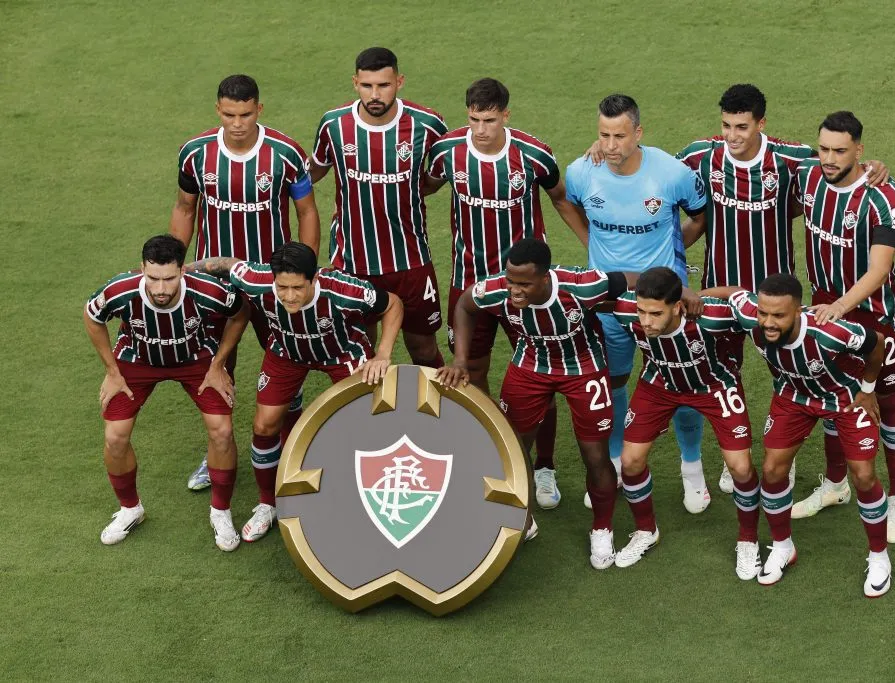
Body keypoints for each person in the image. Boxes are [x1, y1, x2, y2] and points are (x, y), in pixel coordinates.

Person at [676, 84, 889, 495]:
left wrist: (873, 165)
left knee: (790, 375)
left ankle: (784, 457)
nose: (732, 136)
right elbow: (654, 171)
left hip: (775, 301)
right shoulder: (699, 155)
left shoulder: (791, 158)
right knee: (722, 374)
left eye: (741, 126)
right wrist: (604, 147)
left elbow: (838, 163)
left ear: (761, 124)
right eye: (726, 126)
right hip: (720, 293)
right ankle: (731, 452)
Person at [425, 77, 591, 509]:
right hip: (469, 284)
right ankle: (484, 453)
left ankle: (545, 467)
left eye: (490, 120)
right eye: (474, 119)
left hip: (526, 290)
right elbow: (421, 187)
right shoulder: (447, 151)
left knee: (544, 376)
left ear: (505, 116)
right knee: (471, 372)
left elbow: (559, 197)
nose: (481, 129)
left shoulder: (532, 153)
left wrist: (595, 247)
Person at [436, 239, 636, 569]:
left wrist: (683, 293)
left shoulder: (583, 285)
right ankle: (522, 518)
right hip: (531, 364)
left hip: (583, 366)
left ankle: (602, 528)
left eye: (524, 283)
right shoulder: (499, 289)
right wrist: (460, 359)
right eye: (511, 280)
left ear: (546, 278)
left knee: (596, 453)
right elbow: (464, 305)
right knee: (513, 448)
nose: (514, 290)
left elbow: (634, 279)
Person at [190, 243, 402, 542]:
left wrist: (382, 354)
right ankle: (268, 503)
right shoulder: (255, 279)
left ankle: (368, 496)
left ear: (314, 279)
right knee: (264, 425)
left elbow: (392, 304)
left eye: (297, 287)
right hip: (286, 353)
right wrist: (183, 271)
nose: (289, 296)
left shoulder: (343, 289)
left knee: (366, 424)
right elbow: (225, 263)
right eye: (282, 287)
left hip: (341, 354)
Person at [172, 74, 320, 491]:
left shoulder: (286, 153)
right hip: (215, 283)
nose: (238, 123)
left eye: (246, 113)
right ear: (218, 110)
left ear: (260, 109)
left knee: (287, 359)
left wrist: (305, 270)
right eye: (229, 114)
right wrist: (177, 266)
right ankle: (216, 451)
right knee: (220, 364)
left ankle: (292, 450)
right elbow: (185, 208)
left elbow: (307, 212)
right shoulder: (195, 154)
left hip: (273, 283)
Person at [707, 274, 892, 597]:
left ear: (798, 311)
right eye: (764, 313)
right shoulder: (752, 315)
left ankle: (879, 556)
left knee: (863, 474)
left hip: (843, 398)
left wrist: (867, 389)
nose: (767, 322)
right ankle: (782, 546)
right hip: (793, 397)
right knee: (772, 470)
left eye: (778, 315)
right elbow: (736, 293)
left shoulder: (828, 332)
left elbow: (877, 342)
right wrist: (688, 294)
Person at [567, 94, 709, 513]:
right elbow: (569, 205)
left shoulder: (671, 173)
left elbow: (701, 215)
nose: (610, 145)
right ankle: (612, 466)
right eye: (603, 135)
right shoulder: (582, 172)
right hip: (610, 301)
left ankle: (692, 469)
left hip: (665, 302)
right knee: (613, 380)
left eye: (619, 136)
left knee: (682, 382)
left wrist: (672, 260)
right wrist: (592, 246)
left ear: (639, 134)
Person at [790, 111, 895, 544]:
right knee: (830, 395)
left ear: (859, 151)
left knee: (887, 399)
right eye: (823, 148)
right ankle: (835, 485)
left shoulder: (882, 195)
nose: (828, 157)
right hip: (827, 312)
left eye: (839, 150)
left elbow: (880, 268)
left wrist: (840, 306)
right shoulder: (806, 177)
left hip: (872, 315)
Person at [84, 235, 249, 551]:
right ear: (142, 269)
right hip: (137, 358)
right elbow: (92, 317)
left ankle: (221, 512)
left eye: (169, 279)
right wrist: (112, 371)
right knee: (115, 437)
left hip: (196, 358)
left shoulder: (209, 290)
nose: (160, 289)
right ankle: (131, 509)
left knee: (223, 433)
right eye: (153, 278)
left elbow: (240, 314)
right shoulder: (121, 290)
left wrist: (219, 363)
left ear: (183, 270)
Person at [610, 268, 761, 579]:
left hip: (714, 387)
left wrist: (701, 294)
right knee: (630, 460)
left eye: (655, 313)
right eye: (641, 311)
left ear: (678, 306)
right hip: (659, 384)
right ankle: (645, 531)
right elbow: (592, 285)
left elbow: (741, 295)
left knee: (741, 468)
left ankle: (748, 540)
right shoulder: (626, 310)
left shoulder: (712, 317)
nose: (646, 321)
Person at [309, 46, 447, 372]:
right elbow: (312, 171)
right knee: (363, 351)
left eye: (383, 85)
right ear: (355, 82)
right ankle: (373, 422)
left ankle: (435, 420)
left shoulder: (427, 124)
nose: (375, 94)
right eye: (367, 85)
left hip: (410, 260)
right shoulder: (334, 125)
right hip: (353, 260)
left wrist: (413, 187)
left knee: (424, 350)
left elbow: (441, 172)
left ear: (399, 81)